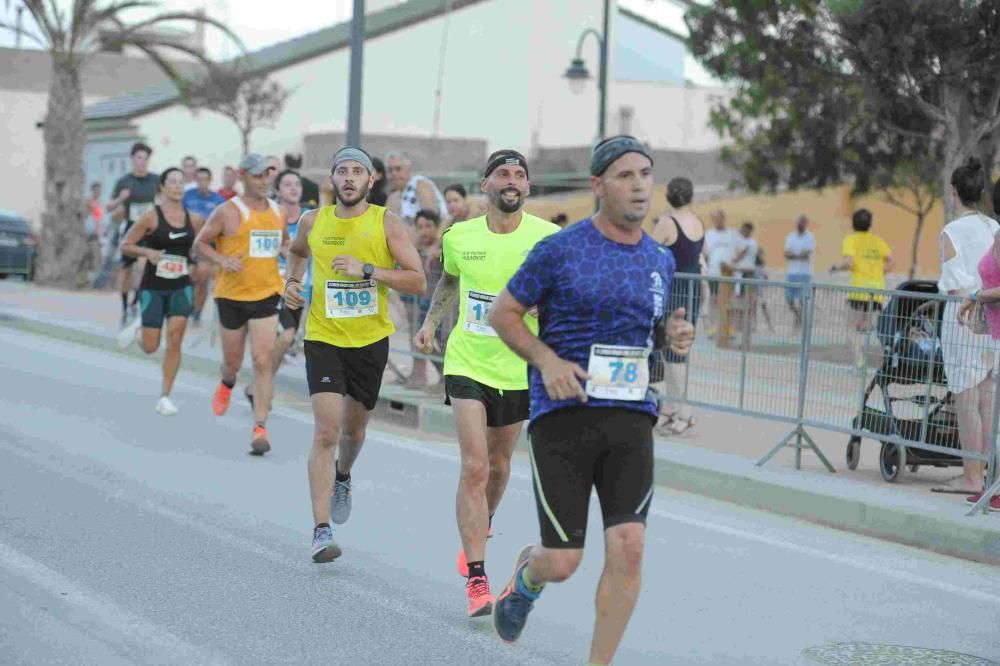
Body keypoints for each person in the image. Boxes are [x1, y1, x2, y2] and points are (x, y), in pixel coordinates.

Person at [488, 136, 694, 664]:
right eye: (626, 175)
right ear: (598, 185)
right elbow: (504, 315)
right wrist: (548, 362)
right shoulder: (561, 249)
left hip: (630, 416)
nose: (640, 185)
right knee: (563, 562)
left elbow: (650, 333)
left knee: (630, 545)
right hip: (564, 416)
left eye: (646, 173)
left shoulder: (659, 260)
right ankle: (528, 580)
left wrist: (674, 337)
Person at [414, 150, 559, 617]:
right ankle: (478, 578)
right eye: (503, 174)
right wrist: (432, 323)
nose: (511, 181)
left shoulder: (548, 239)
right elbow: (450, 283)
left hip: (518, 368)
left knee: (498, 468)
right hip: (467, 362)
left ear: (528, 187)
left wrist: (547, 308)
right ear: (486, 185)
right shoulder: (460, 236)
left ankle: (483, 523)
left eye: (519, 174)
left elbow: (565, 295)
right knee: (475, 467)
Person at [282, 147, 425, 563]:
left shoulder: (387, 223)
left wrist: (368, 270)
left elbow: (416, 280)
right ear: (332, 180)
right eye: (341, 171)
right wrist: (292, 283)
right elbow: (296, 252)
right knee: (326, 432)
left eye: (357, 171)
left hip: (369, 342)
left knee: (354, 432)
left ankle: (343, 476)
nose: (348, 178)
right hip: (324, 337)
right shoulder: (314, 221)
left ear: (370, 180)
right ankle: (320, 530)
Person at [194, 153, 287, 455]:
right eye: (258, 175)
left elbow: (283, 243)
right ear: (244, 176)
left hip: (267, 294)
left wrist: (291, 254)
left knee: (262, 360)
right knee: (233, 361)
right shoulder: (227, 211)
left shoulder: (277, 210)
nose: (264, 181)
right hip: (232, 296)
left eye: (268, 175)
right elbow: (200, 244)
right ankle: (227, 381)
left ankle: (260, 427)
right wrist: (221, 259)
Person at [929, 158, 999, 500]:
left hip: (964, 316)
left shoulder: (951, 230)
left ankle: (971, 475)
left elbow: (954, 281)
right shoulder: (993, 227)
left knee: (966, 397)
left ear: (954, 193)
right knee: (987, 396)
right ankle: (984, 472)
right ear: (981, 193)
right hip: (993, 317)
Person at [116, 168, 205, 414]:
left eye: (181, 182)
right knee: (151, 347)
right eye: (172, 182)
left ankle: (165, 396)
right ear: (162, 188)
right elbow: (126, 245)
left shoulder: (195, 220)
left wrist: (202, 261)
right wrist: (148, 253)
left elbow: (206, 244)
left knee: (175, 339)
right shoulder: (150, 217)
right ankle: (139, 328)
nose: (177, 186)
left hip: (180, 286)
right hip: (153, 287)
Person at [245, 169, 312, 407]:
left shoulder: (311, 218)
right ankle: (261, 387)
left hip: (300, 290)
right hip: (271, 288)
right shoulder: (271, 216)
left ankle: (258, 386)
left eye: (297, 184)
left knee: (281, 344)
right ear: (278, 190)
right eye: (287, 184)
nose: (293, 188)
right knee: (286, 336)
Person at [650, 176, 704, 436]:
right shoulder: (697, 222)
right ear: (691, 197)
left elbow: (648, 253)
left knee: (674, 355)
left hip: (675, 293)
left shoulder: (666, 222)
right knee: (674, 353)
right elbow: (700, 259)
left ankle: (685, 412)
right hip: (692, 292)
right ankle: (670, 408)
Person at [830, 209, 893, 368]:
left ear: (853, 224)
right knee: (873, 327)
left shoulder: (851, 240)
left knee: (851, 330)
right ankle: (888, 359)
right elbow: (891, 261)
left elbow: (849, 262)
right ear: (870, 224)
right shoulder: (878, 241)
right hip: (877, 292)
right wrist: (879, 272)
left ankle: (859, 361)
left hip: (858, 292)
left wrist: (835, 267)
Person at [108, 142, 159, 326]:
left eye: (145, 159)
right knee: (126, 270)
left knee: (145, 266)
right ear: (132, 159)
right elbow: (109, 207)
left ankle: (135, 302)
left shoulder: (156, 180)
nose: (142, 162)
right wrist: (121, 198)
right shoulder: (124, 181)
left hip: (149, 232)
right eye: (138, 158)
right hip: (131, 230)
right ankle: (124, 307)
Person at [183, 167, 227, 325]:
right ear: (195, 180)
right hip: (186, 243)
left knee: (203, 275)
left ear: (210, 180)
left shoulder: (218, 200)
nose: (202, 183)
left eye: (205, 179)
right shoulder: (187, 197)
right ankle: (185, 305)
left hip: (207, 244)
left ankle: (197, 312)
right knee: (188, 276)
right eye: (199, 179)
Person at [386, 150, 447, 225]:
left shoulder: (421, 185)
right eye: (390, 170)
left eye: (398, 169)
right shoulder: (392, 198)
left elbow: (430, 220)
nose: (394, 173)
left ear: (408, 169)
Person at [703, 209, 736, 335]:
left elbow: (736, 252)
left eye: (718, 218)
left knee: (728, 300)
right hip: (713, 273)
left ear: (723, 218)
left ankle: (728, 328)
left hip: (728, 274)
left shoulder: (732, 234)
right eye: (714, 218)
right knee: (714, 300)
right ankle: (713, 327)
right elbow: (704, 254)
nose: (716, 221)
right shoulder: (708, 234)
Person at [784, 215, 816, 328]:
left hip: (804, 273)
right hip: (791, 273)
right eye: (798, 222)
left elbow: (806, 255)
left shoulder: (810, 237)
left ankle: (800, 322)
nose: (799, 224)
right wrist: (798, 255)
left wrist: (793, 255)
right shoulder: (790, 237)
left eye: (802, 222)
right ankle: (798, 316)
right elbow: (786, 254)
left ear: (805, 224)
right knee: (788, 299)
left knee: (802, 300)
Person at [82, 182, 105, 284]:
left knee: (96, 258)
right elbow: (86, 215)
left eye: (99, 190)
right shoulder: (88, 202)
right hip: (88, 235)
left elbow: (99, 220)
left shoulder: (99, 204)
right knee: (88, 258)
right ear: (92, 191)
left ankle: (93, 281)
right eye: (96, 190)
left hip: (96, 234)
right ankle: (85, 280)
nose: (98, 192)